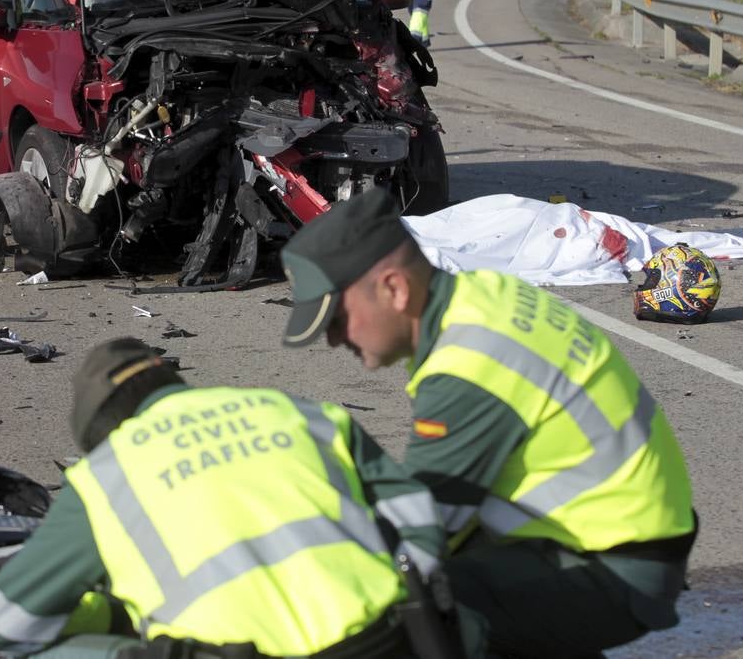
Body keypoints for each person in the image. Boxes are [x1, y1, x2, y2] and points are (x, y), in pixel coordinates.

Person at [279, 188, 697, 659]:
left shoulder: (469, 363)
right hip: (622, 538)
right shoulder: (483, 296)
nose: (335, 341)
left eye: (336, 319)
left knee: (391, 613)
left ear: (394, 289)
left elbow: (423, 529)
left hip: (613, 567)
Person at [0, 337, 467, 658]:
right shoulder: (294, 410)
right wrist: (420, 600)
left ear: (101, 430)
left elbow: (2, 625)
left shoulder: (107, 473)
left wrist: (113, 622)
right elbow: (415, 512)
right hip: (384, 642)